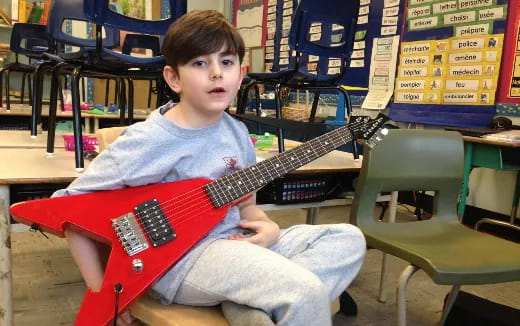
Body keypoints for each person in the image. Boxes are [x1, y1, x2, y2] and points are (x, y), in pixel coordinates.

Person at [53, 10, 366, 326]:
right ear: (174, 78)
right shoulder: (150, 139)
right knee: (305, 291)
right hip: (184, 260)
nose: (217, 73)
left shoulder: (237, 133)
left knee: (348, 239)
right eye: (200, 63)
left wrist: (268, 227)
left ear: (241, 74)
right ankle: (269, 298)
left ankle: (247, 305)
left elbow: (247, 209)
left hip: (235, 242)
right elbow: (68, 207)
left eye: (226, 63)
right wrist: (103, 292)